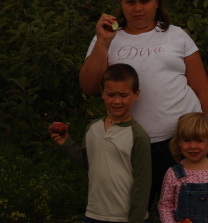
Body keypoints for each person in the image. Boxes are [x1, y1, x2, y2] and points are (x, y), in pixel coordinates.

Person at [79, 0, 208, 210]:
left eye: (144, 1)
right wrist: (103, 42)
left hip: (180, 143)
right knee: (132, 209)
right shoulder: (107, 38)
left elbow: (203, 91)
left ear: (157, 1)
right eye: (130, 2)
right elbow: (89, 87)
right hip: (129, 144)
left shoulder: (176, 36)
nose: (137, 8)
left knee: (187, 209)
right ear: (121, 3)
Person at [50, 63, 152, 223]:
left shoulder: (137, 136)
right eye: (111, 94)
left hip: (125, 217)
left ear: (136, 94)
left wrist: (135, 220)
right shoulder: (93, 128)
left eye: (123, 95)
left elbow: (143, 183)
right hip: (94, 214)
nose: (117, 101)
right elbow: (88, 161)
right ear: (102, 93)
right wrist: (66, 143)